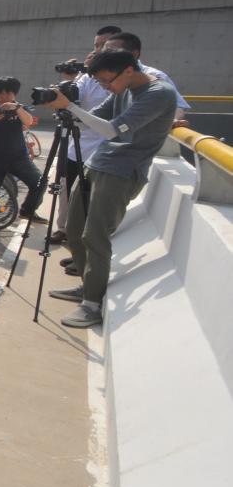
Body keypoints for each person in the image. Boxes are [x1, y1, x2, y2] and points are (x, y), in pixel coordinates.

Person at [40, 48, 178, 329]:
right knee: (74, 231)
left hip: (122, 172)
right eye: (100, 82)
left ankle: (92, 305)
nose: (105, 87)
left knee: (95, 236)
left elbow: (112, 129)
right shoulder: (120, 89)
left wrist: (70, 107)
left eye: (107, 80)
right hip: (97, 163)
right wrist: (63, 107)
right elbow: (91, 120)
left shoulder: (159, 93)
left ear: (129, 69)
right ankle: (87, 287)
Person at [0, 77, 46, 237]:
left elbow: (29, 121)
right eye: (0, 93)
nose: (3, 96)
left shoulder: (20, 108)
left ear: (14, 94)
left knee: (40, 182)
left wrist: (17, 108)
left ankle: (27, 211)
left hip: (18, 158)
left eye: (8, 93)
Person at [52, 61, 105, 243]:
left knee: (92, 197)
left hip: (103, 152)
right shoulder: (86, 79)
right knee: (66, 190)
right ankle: (63, 229)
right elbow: (75, 94)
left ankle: (84, 237)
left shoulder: (126, 84)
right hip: (77, 145)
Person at [99, 30, 190, 122]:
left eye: (112, 53)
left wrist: (172, 121)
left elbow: (178, 107)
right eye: (104, 53)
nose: (105, 57)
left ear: (134, 54)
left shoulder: (155, 78)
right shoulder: (109, 77)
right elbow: (101, 112)